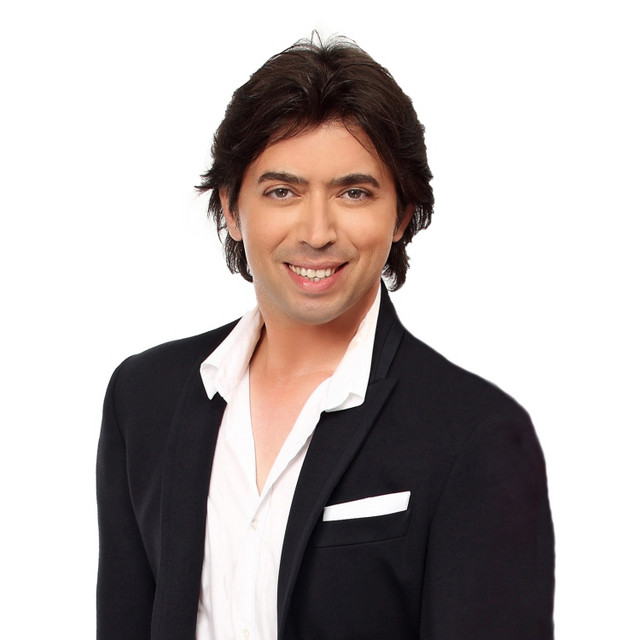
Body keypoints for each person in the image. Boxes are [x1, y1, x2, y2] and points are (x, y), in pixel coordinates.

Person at [96, 36, 554, 640]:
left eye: (353, 192)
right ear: (231, 208)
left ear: (401, 214)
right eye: (282, 191)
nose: (317, 232)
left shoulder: (476, 433)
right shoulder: (144, 398)